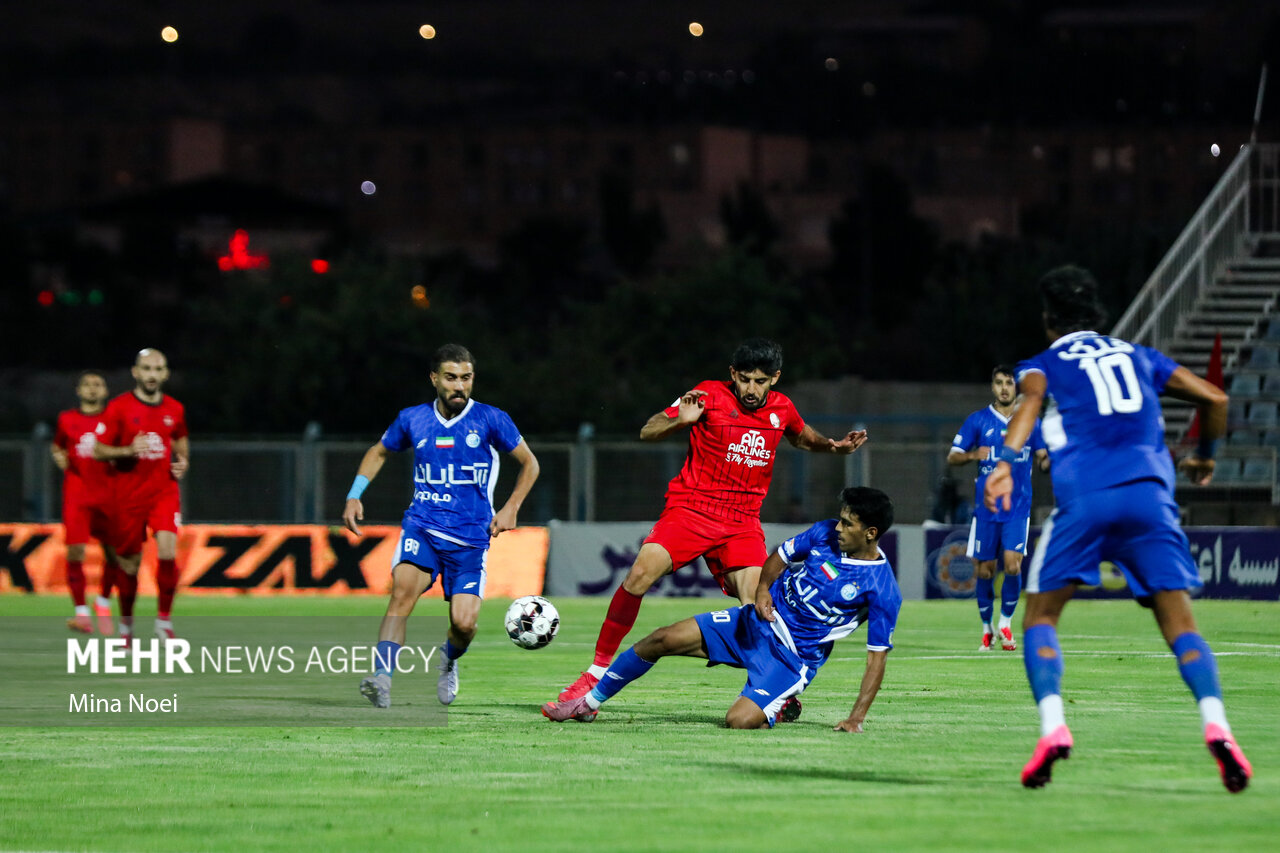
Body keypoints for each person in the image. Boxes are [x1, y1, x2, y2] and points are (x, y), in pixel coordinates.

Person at [985, 265, 1252, 792]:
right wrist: (1204, 455)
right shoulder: (1141, 356)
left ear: (1049, 320)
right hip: (1151, 498)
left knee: (1041, 616)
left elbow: (1030, 402)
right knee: (1180, 626)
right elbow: (1216, 400)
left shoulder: (1043, 364)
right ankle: (1217, 723)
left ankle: (1054, 727)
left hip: (1086, 500)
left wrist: (1003, 461)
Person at [554, 338, 869, 710]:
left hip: (741, 522)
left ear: (775, 379)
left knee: (760, 604)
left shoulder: (782, 408)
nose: (752, 389)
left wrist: (833, 446)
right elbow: (648, 430)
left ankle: (772, 688)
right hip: (692, 510)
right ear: (733, 374)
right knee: (639, 574)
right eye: (746, 379)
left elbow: (801, 436)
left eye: (761, 381)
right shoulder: (708, 395)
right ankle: (596, 671)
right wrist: (678, 422)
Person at [543, 487, 901, 730]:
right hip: (753, 622)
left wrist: (856, 718)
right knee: (661, 639)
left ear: (870, 533)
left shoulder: (882, 588)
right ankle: (587, 703)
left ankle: (777, 702)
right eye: (839, 519)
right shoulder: (824, 533)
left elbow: (876, 659)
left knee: (737, 722)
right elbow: (781, 555)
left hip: (790, 658)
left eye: (847, 524)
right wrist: (762, 590)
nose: (837, 527)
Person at [345, 344, 539, 709]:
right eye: (451, 378)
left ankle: (447, 659)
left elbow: (530, 464)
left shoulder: (491, 419)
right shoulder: (412, 419)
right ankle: (381, 678)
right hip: (423, 526)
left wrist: (511, 508)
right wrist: (355, 494)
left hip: (470, 538)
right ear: (434, 379)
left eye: (466, 378)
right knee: (402, 593)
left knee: (464, 625)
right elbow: (379, 451)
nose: (459, 386)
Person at [948, 365, 1049, 651]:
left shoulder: (1030, 421)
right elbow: (952, 457)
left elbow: (1042, 456)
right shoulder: (978, 421)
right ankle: (986, 629)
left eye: (1009, 383)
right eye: (999, 383)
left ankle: (1005, 624)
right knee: (985, 571)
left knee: (1013, 564)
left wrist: (1049, 461)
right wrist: (971, 455)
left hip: (1018, 506)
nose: (1004, 388)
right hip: (987, 508)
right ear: (992, 386)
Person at [93, 349, 190, 644]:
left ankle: (163, 621)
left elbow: (182, 443)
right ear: (135, 372)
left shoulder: (175, 409)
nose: (151, 374)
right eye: (146, 368)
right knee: (130, 566)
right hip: (128, 494)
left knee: (168, 552)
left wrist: (183, 462)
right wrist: (127, 450)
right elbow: (98, 449)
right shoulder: (119, 408)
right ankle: (126, 630)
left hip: (163, 491)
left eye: (157, 369)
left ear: (165, 374)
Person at [51, 370, 123, 634]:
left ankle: (102, 602)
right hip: (77, 495)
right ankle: (81, 613)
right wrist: (59, 456)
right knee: (75, 552)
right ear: (78, 391)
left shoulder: (114, 419)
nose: (92, 389)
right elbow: (57, 446)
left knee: (115, 556)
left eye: (98, 385)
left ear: (105, 391)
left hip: (109, 495)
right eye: (87, 385)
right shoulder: (66, 419)